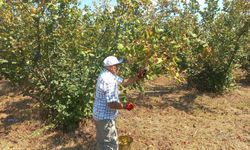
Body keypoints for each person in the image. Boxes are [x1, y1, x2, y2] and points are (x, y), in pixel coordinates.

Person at [93, 56, 146, 150]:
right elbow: (111, 103)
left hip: (98, 115)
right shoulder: (109, 80)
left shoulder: (106, 74)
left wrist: (137, 77)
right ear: (112, 67)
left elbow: (124, 82)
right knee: (111, 145)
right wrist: (125, 106)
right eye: (117, 65)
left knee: (102, 143)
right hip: (105, 118)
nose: (118, 67)